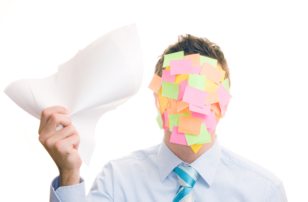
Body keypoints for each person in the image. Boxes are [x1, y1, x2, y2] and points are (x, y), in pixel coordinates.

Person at [39, 35, 287, 202]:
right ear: (158, 99)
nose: (191, 103)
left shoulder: (263, 192)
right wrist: (69, 174)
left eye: (203, 92)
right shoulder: (117, 180)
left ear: (223, 104)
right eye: (179, 90)